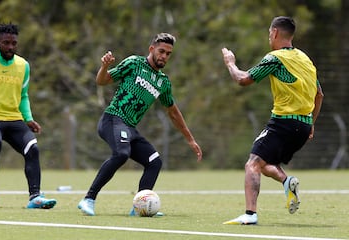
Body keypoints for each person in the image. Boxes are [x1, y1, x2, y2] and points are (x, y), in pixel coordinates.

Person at [78, 33, 202, 216]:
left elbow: (173, 112)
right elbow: (101, 81)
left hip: (130, 128)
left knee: (154, 162)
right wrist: (104, 66)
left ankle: (139, 207)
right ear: (151, 49)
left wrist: (190, 140)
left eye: (168, 54)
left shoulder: (163, 82)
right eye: (161, 51)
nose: (164, 56)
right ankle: (88, 199)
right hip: (113, 119)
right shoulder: (134, 63)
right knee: (121, 153)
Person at [221, 16, 324, 225]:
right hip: (303, 125)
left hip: (284, 122)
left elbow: (243, 79)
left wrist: (230, 63)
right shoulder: (306, 60)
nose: (269, 37)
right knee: (264, 162)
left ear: (275, 33)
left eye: (269, 33)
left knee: (252, 164)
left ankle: (250, 215)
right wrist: (311, 122)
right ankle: (287, 182)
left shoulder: (275, 58)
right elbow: (319, 94)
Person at [0, 23, 57, 209]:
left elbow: (24, 95)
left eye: (14, 43)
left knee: (32, 149)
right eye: (6, 43)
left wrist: (28, 118)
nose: (10, 47)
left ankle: (35, 197)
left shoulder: (23, 65)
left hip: (13, 118)